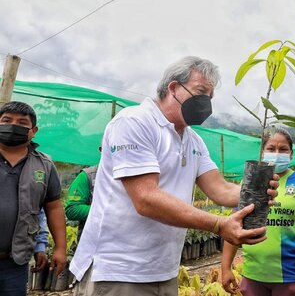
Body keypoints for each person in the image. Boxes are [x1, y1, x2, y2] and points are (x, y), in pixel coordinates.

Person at [69, 56, 279, 296]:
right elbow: (146, 198)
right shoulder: (134, 122)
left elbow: (218, 188)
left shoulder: (193, 140)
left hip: (163, 269)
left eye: (210, 97)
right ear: (173, 87)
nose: (206, 103)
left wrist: (254, 192)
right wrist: (219, 224)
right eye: (201, 92)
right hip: (119, 271)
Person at [222, 127, 295, 296]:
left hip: (293, 276)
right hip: (253, 274)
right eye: (271, 149)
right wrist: (225, 267)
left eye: (283, 149)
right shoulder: (250, 182)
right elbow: (234, 225)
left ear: (291, 154)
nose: (277, 153)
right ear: (262, 153)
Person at [0, 101, 67, 296]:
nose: (13, 126)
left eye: (22, 123)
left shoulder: (44, 165)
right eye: (6, 120)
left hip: (15, 262)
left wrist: (60, 248)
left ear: (33, 130)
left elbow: (53, 207)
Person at [65, 164, 98, 241]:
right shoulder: (88, 176)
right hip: (92, 242)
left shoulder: (130, 174)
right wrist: (107, 212)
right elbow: (72, 209)